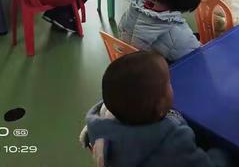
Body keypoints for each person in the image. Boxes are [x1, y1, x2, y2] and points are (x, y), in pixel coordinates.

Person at [81, 51, 231, 167]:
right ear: (160, 107)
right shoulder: (172, 141)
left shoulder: (99, 126)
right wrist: (223, 152)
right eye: (168, 83)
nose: (171, 86)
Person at [118, 0, 201, 63]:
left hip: (128, 65)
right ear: (186, 2)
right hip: (154, 74)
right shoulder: (176, 32)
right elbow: (197, 57)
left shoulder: (134, 8)